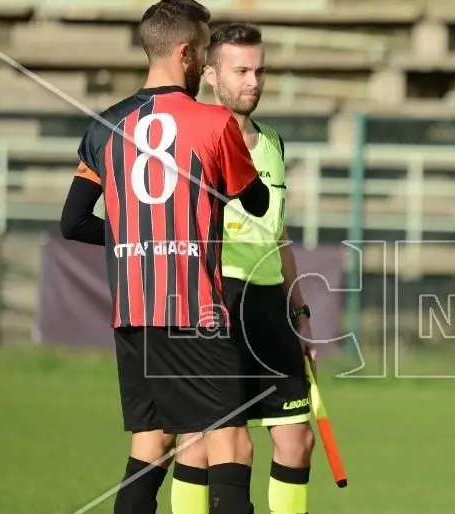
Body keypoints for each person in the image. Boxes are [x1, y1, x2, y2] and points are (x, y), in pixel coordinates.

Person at [58, 1, 270, 513]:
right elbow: (258, 202)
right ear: (185, 52)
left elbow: (73, 221)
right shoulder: (214, 123)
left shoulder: (103, 127)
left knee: (151, 445)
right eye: (201, 53)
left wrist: (137, 239)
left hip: (132, 314)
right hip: (192, 311)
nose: (202, 65)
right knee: (231, 445)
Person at [167, 22, 317, 514]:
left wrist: (300, 313)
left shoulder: (272, 141)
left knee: (296, 441)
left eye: (260, 70)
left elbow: (278, 236)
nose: (253, 81)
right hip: (214, 301)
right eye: (241, 71)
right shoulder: (192, 137)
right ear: (210, 74)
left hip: (270, 305)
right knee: (202, 442)